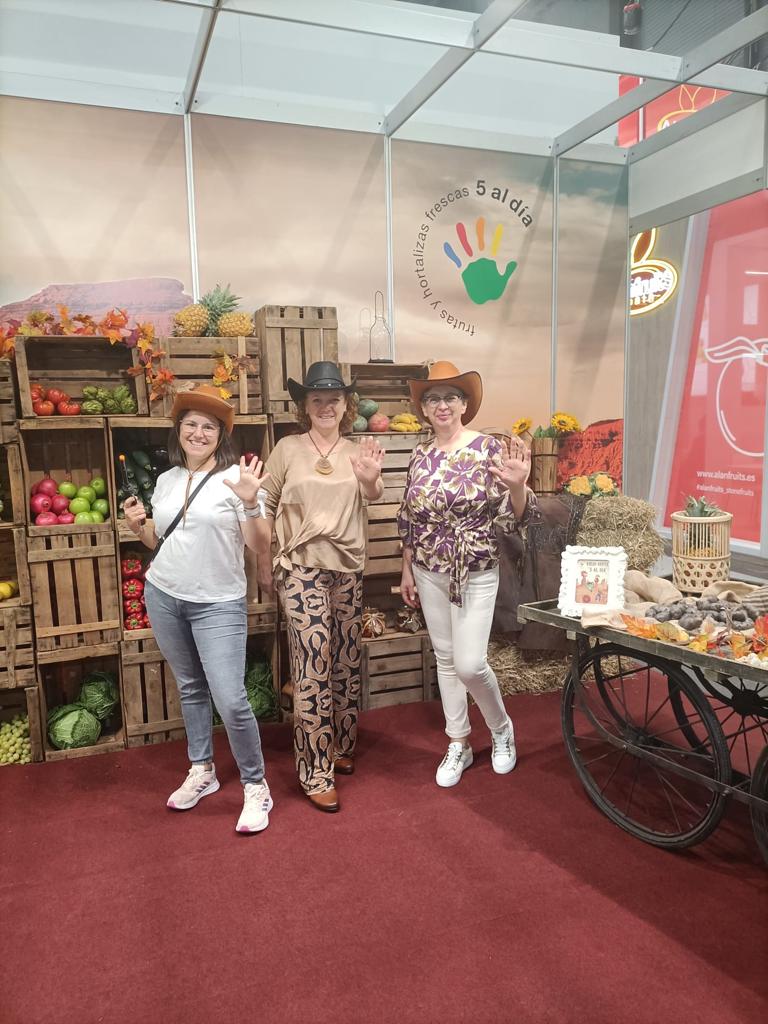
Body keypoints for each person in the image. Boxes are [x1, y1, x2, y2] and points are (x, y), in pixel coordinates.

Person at [123, 383, 273, 834]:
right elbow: (158, 540)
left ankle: (256, 785)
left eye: (209, 426)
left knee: (230, 698)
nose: (198, 433)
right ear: (179, 430)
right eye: (191, 424)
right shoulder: (166, 481)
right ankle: (202, 769)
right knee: (190, 688)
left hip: (218, 603)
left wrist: (250, 502)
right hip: (164, 594)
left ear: (221, 435)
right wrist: (138, 527)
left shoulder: (238, 479)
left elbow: (260, 544)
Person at [398, 361, 538, 788]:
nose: (441, 405)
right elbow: (409, 518)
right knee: (444, 658)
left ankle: (501, 728)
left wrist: (518, 486)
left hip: (475, 567)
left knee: (470, 664)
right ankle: (458, 740)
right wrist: (407, 569)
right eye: (432, 398)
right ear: (424, 409)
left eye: (450, 397)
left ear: (464, 405)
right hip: (428, 569)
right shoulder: (420, 455)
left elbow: (517, 517)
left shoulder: (487, 448)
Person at [254, 362, 384, 813]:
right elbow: (264, 503)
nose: (326, 406)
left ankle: (341, 745)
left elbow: (372, 494)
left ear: (347, 405)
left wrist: (370, 479)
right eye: (317, 399)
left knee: (345, 659)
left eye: (334, 399)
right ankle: (315, 771)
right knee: (313, 663)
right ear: (304, 405)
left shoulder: (357, 450)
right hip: (300, 568)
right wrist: (264, 562)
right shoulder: (287, 449)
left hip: (347, 569)